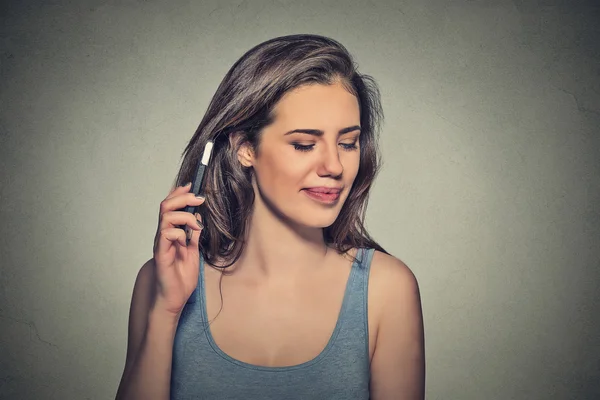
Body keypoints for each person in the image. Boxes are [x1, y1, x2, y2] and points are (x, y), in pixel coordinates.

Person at [115, 34, 425, 400]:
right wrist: (167, 310)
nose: (334, 166)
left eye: (347, 143)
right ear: (245, 147)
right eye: (304, 145)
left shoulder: (386, 290)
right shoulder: (159, 281)